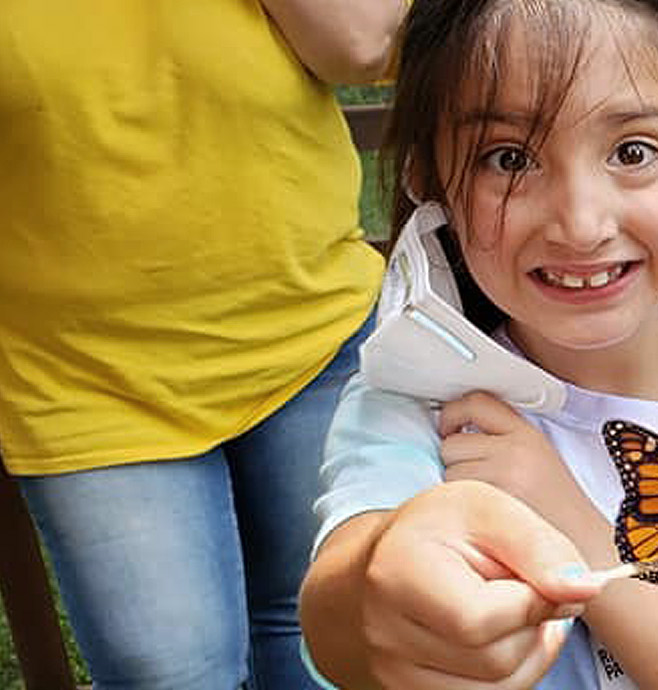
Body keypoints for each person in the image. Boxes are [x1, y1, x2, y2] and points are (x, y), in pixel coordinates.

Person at [298, 1, 658, 688]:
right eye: (510, 159)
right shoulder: (419, 403)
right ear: (432, 179)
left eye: (632, 152)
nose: (580, 223)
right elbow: (342, 610)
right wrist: (383, 590)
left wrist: (578, 533)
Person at [0, 3, 400, 688]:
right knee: (170, 674)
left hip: (307, 326)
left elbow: (362, 42)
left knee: (326, 643)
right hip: (80, 376)